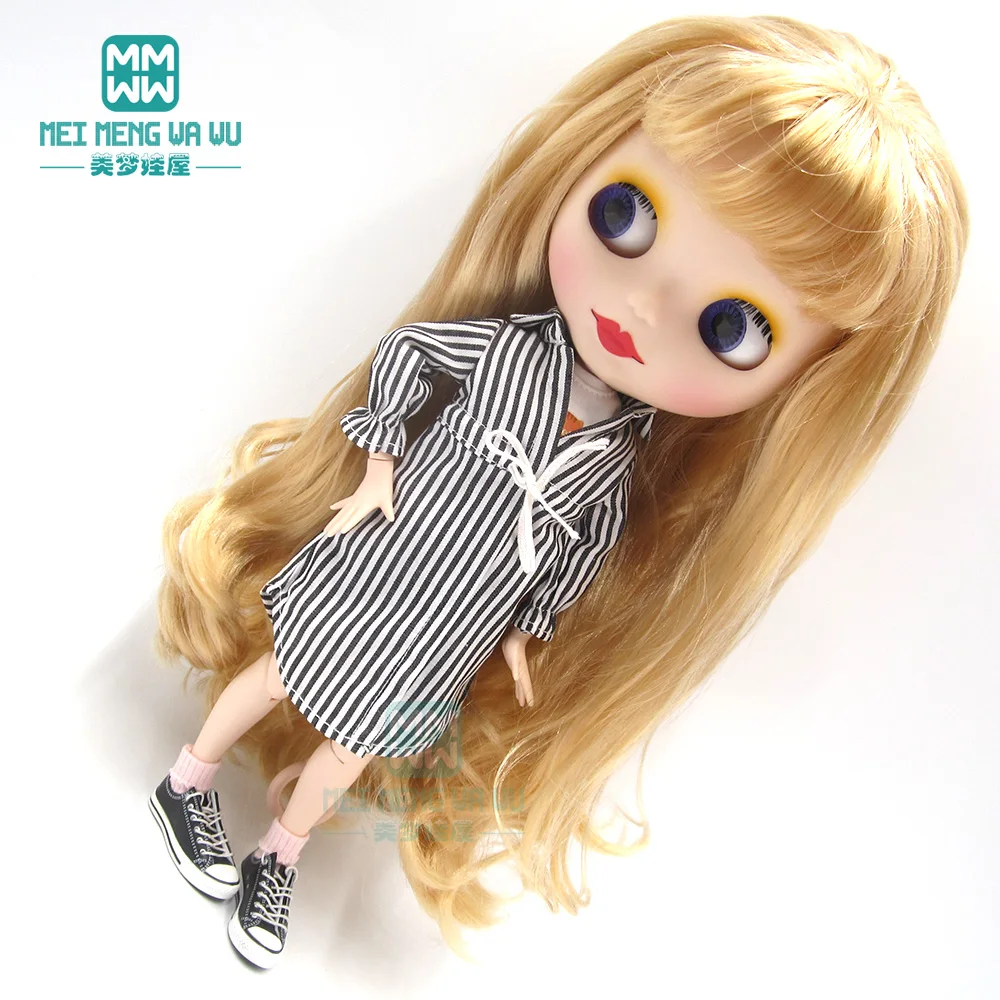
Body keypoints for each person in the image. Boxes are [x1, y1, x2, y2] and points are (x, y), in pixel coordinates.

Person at [148, 14, 969, 968]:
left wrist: (526, 629)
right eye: (627, 215)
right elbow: (409, 358)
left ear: (801, 391)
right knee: (289, 667)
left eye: (734, 328)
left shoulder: (618, 458)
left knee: (357, 741)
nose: (644, 305)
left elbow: (579, 548)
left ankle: (280, 854)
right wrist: (374, 468)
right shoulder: (508, 349)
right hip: (386, 556)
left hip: (456, 618)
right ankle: (187, 780)